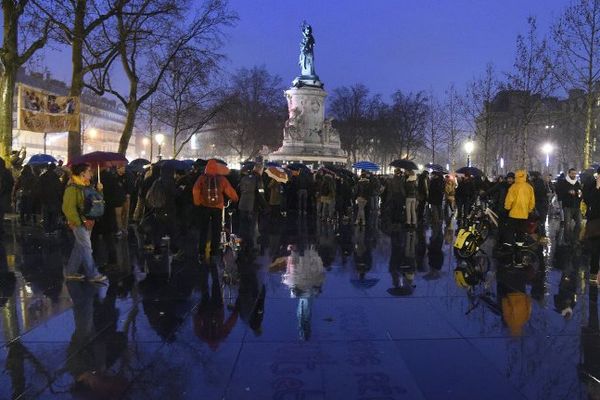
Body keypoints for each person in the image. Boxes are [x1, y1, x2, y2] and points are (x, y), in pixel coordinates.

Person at [62, 163, 108, 283]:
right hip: (80, 223)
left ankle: (70, 272)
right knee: (87, 248)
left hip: (89, 221)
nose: (91, 173)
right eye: (89, 171)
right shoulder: (72, 188)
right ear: (82, 173)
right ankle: (93, 274)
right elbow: (68, 208)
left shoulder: (88, 186)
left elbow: (97, 202)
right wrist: (80, 222)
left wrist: (100, 191)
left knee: (79, 247)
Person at [193, 159, 239, 263]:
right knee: (216, 230)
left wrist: (198, 202)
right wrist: (235, 198)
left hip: (205, 206)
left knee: (204, 230)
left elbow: (195, 190)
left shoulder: (202, 178)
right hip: (218, 208)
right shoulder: (221, 179)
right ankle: (214, 253)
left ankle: (201, 253)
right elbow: (229, 190)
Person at [504, 170, 535, 247]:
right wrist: (530, 209)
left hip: (513, 213)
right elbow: (532, 201)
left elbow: (509, 199)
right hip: (524, 214)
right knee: (521, 230)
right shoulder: (529, 187)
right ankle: (519, 244)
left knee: (510, 229)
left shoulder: (513, 187)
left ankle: (509, 244)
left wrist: (507, 208)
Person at [556, 168, 582, 244]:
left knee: (579, 223)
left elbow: (580, 192)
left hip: (577, 206)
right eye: (572, 174)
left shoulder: (577, 183)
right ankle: (567, 240)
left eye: (575, 174)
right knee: (567, 224)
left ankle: (575, 238)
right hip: (567, 206)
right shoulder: (564, 182)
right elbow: (559, 193)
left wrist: (579, 194)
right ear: (569, 174)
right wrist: (568, 192)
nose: (574, 175)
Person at [38, 164, 64, 234]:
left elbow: (39, 189)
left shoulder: (42, 177)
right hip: (54, 199)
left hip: (45, 199)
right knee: (53, 216)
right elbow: (59, 189)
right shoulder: (56, 178)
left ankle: (46, 230)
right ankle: (52, 230)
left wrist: (41, 198)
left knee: (46, 215)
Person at [0, 159, 14, 238]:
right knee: (1, 214)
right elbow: (11, 183)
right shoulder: (7, 172)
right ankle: (1, 230)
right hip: (4, 197)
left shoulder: (3, 173)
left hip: (2, 196)